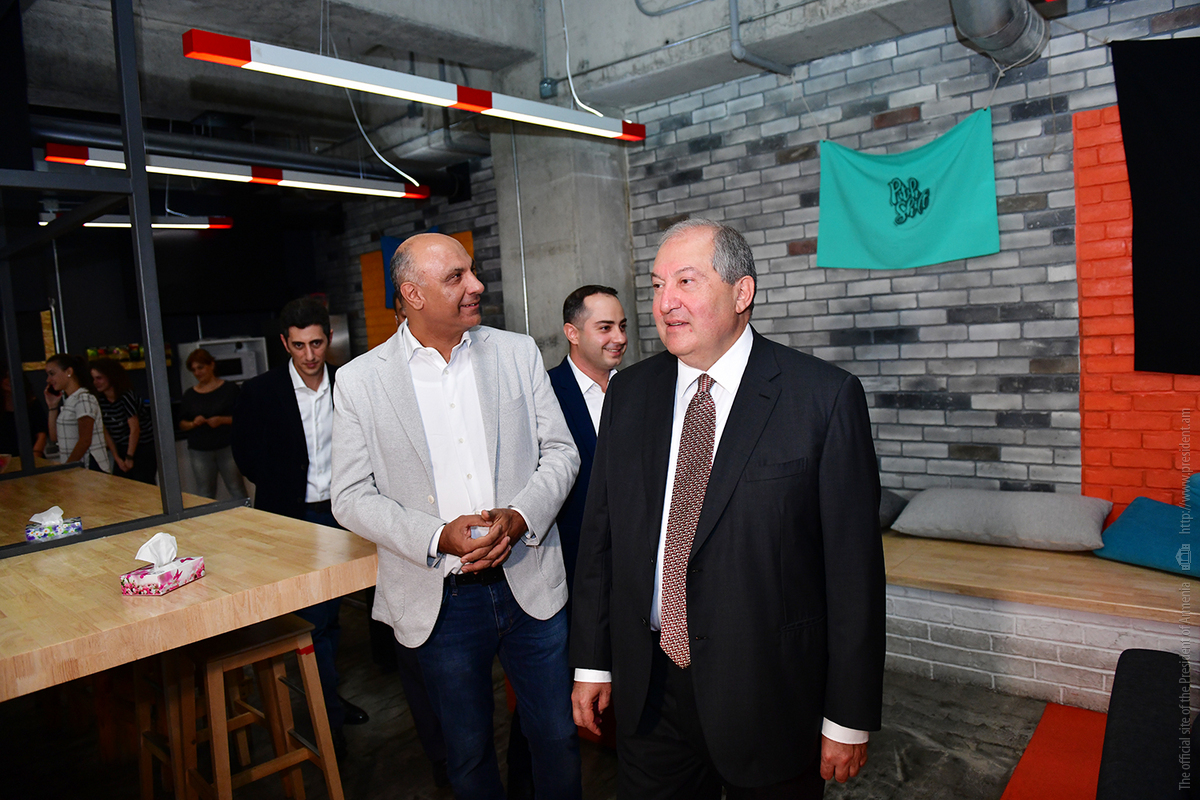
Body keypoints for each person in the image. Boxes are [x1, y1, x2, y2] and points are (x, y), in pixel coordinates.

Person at [570, 219, 885, 799]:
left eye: (686, 281)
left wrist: (847, 716)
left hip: (768, 696)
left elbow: (854, 573)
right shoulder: (630, 393)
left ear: (742, 293)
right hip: (650, 695)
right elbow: (601, 539)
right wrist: (592, 662)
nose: (665, 302)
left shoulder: (822, 397)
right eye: (657, 285)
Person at [331, 232, 582, 800]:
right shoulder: (361, 381)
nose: (477, 285)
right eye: (456, 278)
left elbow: (561, 453)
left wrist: (520, 515)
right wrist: (436, 536)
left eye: (472, 271)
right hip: (439, 600)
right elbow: (348, 495)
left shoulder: (516, 353)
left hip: (530, 585)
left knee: (556, 738)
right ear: (412, 294)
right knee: (466, 757)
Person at [230, 297, 370, 756]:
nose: (309, 355)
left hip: (343, 516)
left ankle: (328, 699)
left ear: (328, 339)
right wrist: (283, 486)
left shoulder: (349, 383)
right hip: (293, 519)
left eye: (316, 343)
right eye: (298, 346)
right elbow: (246, 456)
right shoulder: (260, 392)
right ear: (284, 343)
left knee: (333, 615)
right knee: (314, 620)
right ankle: (327, 718)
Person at [508, 285, 628, 799]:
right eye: (605, 327)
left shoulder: (638, 390)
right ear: (572, 333)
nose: (619, 337)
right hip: (563, 575)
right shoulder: (544, 393)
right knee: (547, 708)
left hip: (630, 578)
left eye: (623, 326)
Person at [179, 348, 246, 500]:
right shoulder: (190, 395)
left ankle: (248, 514)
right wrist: (193, 423)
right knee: (205, 492)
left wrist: (221, 420)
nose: (197, 372)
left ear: (211, 365)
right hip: (200, 449)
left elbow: (243, 418)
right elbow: (182, 423)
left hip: (227, 446)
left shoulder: (229, 389)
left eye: (200, 367)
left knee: (236, 488)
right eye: (193, 370)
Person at [90, 358, 156, 485]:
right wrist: (117, 457)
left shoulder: (126, 396)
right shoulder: (100, 401)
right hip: (120, 447)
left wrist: (129, 457)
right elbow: (105, 431)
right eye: (93, 379)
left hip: (141, 447)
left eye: (99, 378)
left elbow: (135, 429)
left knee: (143, 484)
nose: (96, 383)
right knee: (121, 485)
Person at [44, 353, 110, 472]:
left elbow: (85, 440)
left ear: (69, 371)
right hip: (77, 468)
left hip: (89, 467)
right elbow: (54, 437)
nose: (48, 380)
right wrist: (52, 406)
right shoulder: (71, 400)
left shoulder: (83, 398)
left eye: (52, 374)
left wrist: (67, 468)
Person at [0, 361, 48, 459]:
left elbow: (41, 434)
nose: (9, 380)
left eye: (11, 376)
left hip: (32, 458)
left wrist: (35, 456)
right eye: (5, 377)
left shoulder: (32, 403)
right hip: (4, 461)